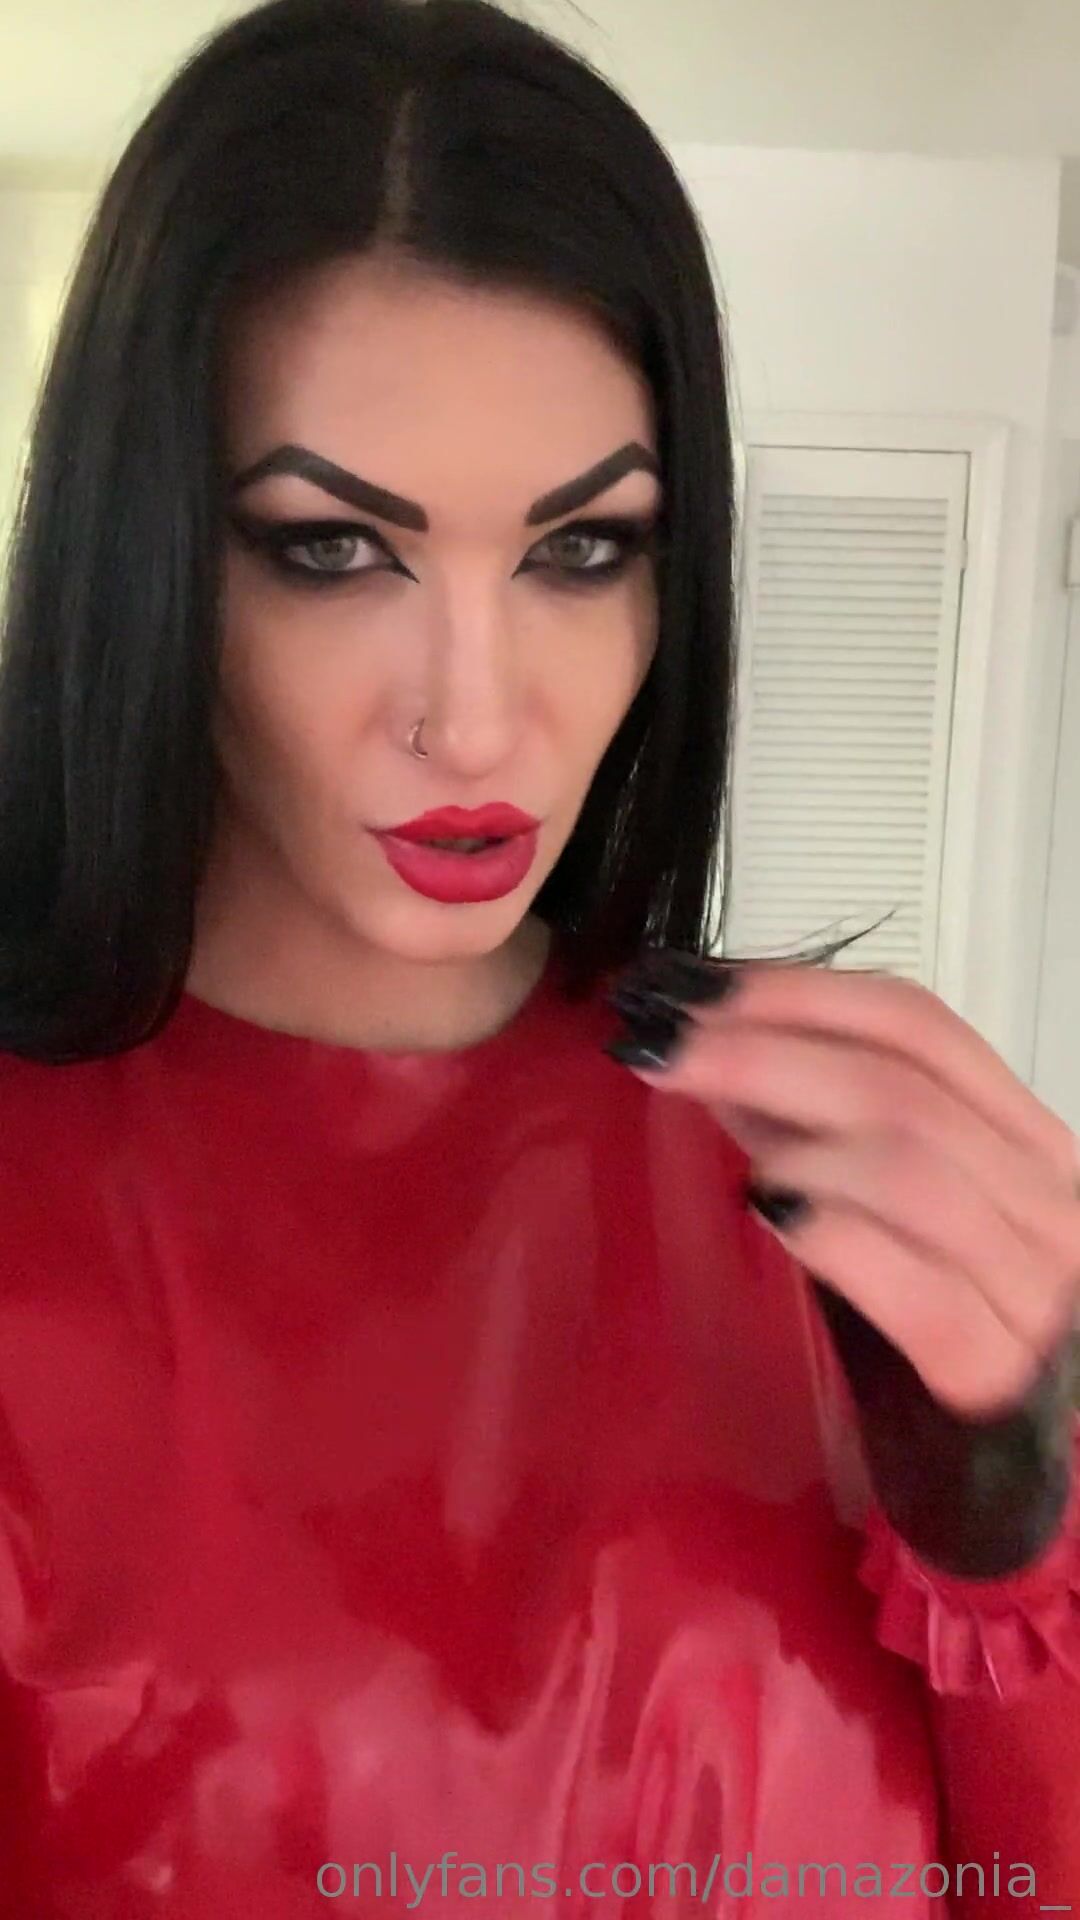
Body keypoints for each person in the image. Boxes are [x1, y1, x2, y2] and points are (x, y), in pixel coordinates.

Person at [0, 0, 1077, 1912]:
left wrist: (1018, 1531)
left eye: (583, 552)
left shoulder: (833, 1161)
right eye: (333, 549)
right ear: (148, 552)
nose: (483, 720)